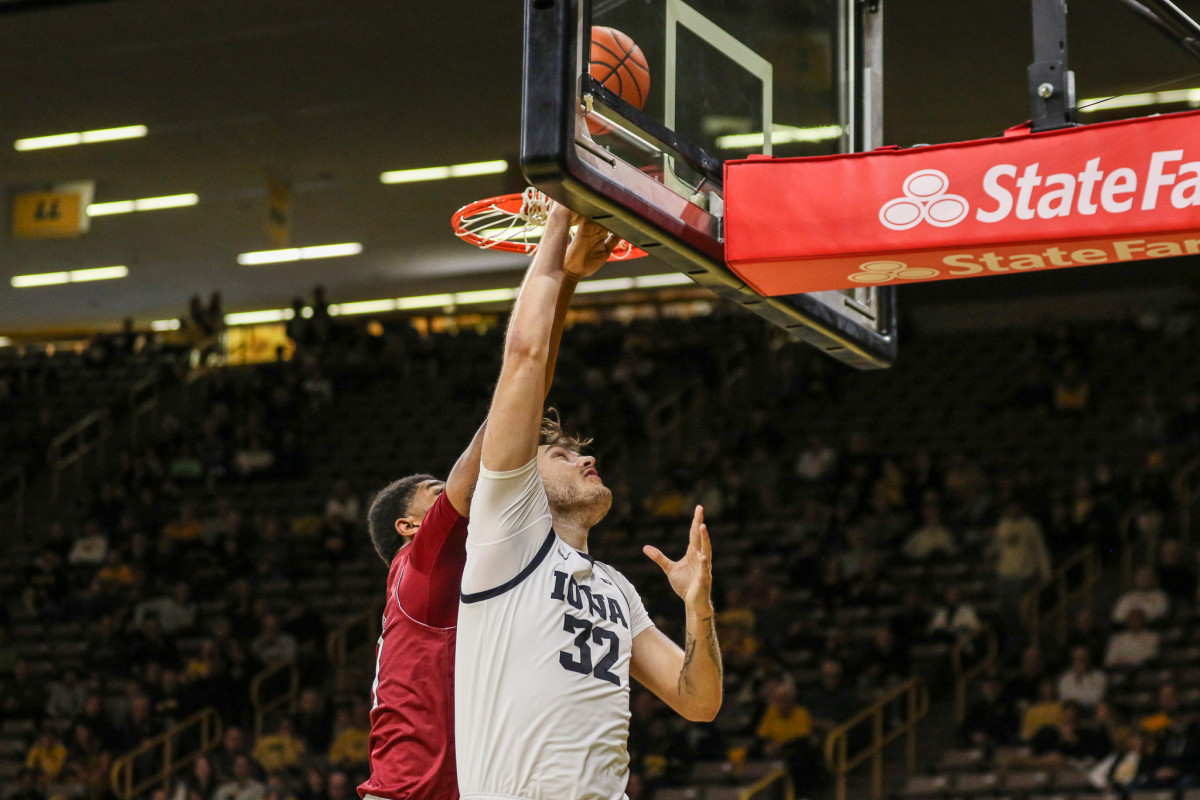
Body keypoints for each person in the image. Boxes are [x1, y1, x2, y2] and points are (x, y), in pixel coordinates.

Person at [455, 208, 723, 800]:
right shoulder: (508, 535)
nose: (582, 458)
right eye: (560, 456)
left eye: (580, 452)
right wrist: (557, 222)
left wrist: (698, 607)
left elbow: (698, 702)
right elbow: (525, 355)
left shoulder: (617, 589)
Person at [359, 203, 598, 800]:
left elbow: (529, 389)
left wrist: (568, 275)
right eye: (440, 496)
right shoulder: (424, 564)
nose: (460, 497)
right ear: (413, 526)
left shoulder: (479, 573)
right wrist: (558, 240)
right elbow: (515, 394)